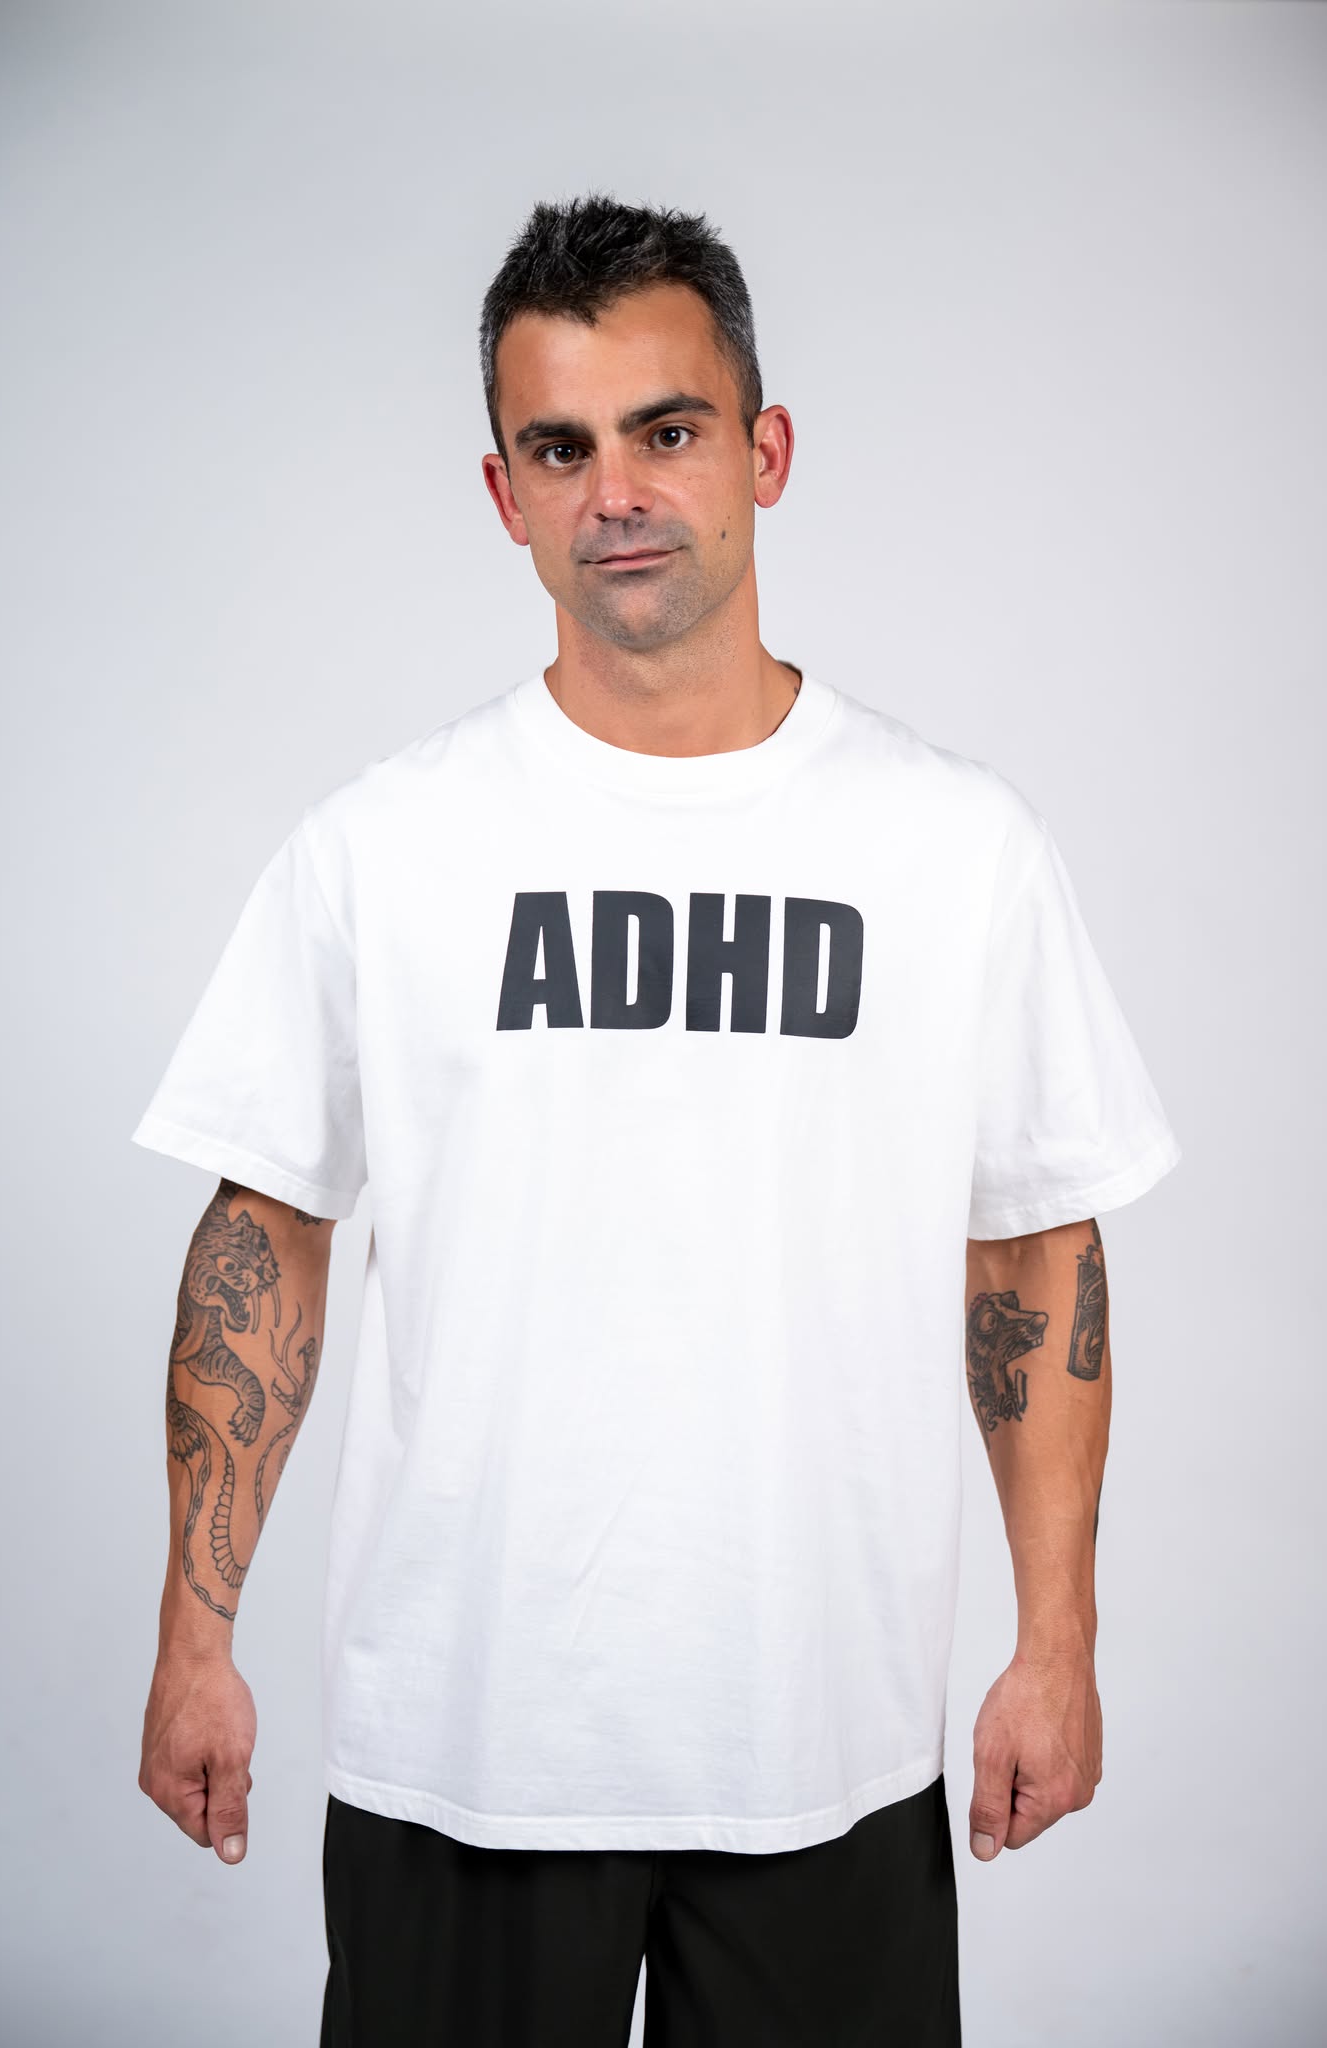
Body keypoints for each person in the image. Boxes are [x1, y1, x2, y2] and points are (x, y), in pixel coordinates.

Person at [133, 192, 1181, 2047]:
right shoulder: (385, 846)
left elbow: (1033, 1252)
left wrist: (1058, 1641)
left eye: (666, 430)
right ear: (505, 494)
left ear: (763, 453)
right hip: (461, 1745)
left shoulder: (953, 847)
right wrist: (192, 1637)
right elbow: (266, 1231)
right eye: (561, 448)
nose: (615, 492)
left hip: (824, 1748)